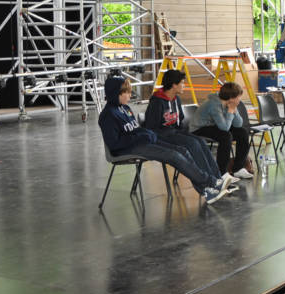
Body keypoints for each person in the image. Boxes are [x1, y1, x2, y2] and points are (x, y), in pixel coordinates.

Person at [98, 77, 226, 204]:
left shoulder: (125, 108)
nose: (130, 96)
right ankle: (210, 182)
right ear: (116, 93)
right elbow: (114, 144)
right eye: (127, 92)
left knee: (182, 150)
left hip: (141, 142)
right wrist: (141, 136)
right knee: (174, 155)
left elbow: (136, 130)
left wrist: (146, 133)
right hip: (128, 148)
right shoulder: (108, 115)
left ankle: (207, 190)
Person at [144, 69, 233, 192]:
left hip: (175, 132)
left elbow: (179, 121)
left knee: (200, 142)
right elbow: (151, 127)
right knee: (193, 144)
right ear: (174, 85)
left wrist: (183, 133)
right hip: (161, 135)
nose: (184, 85)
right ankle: (210, 184)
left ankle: (218, 179)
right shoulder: (157, 102)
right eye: (181, 82)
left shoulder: (176, 99)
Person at [190, 81, 254, 180]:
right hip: (199, 128)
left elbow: (238, 124)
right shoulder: (214, 104)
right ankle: (222, 173)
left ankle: (238, 168)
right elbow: (224, 128)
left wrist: (234, 109)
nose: (239, 100)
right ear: (232, 98)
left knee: (242, 132)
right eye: (238, 97)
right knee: (226, 136)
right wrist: (230, 111)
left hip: (214, 126)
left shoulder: (230, 103)